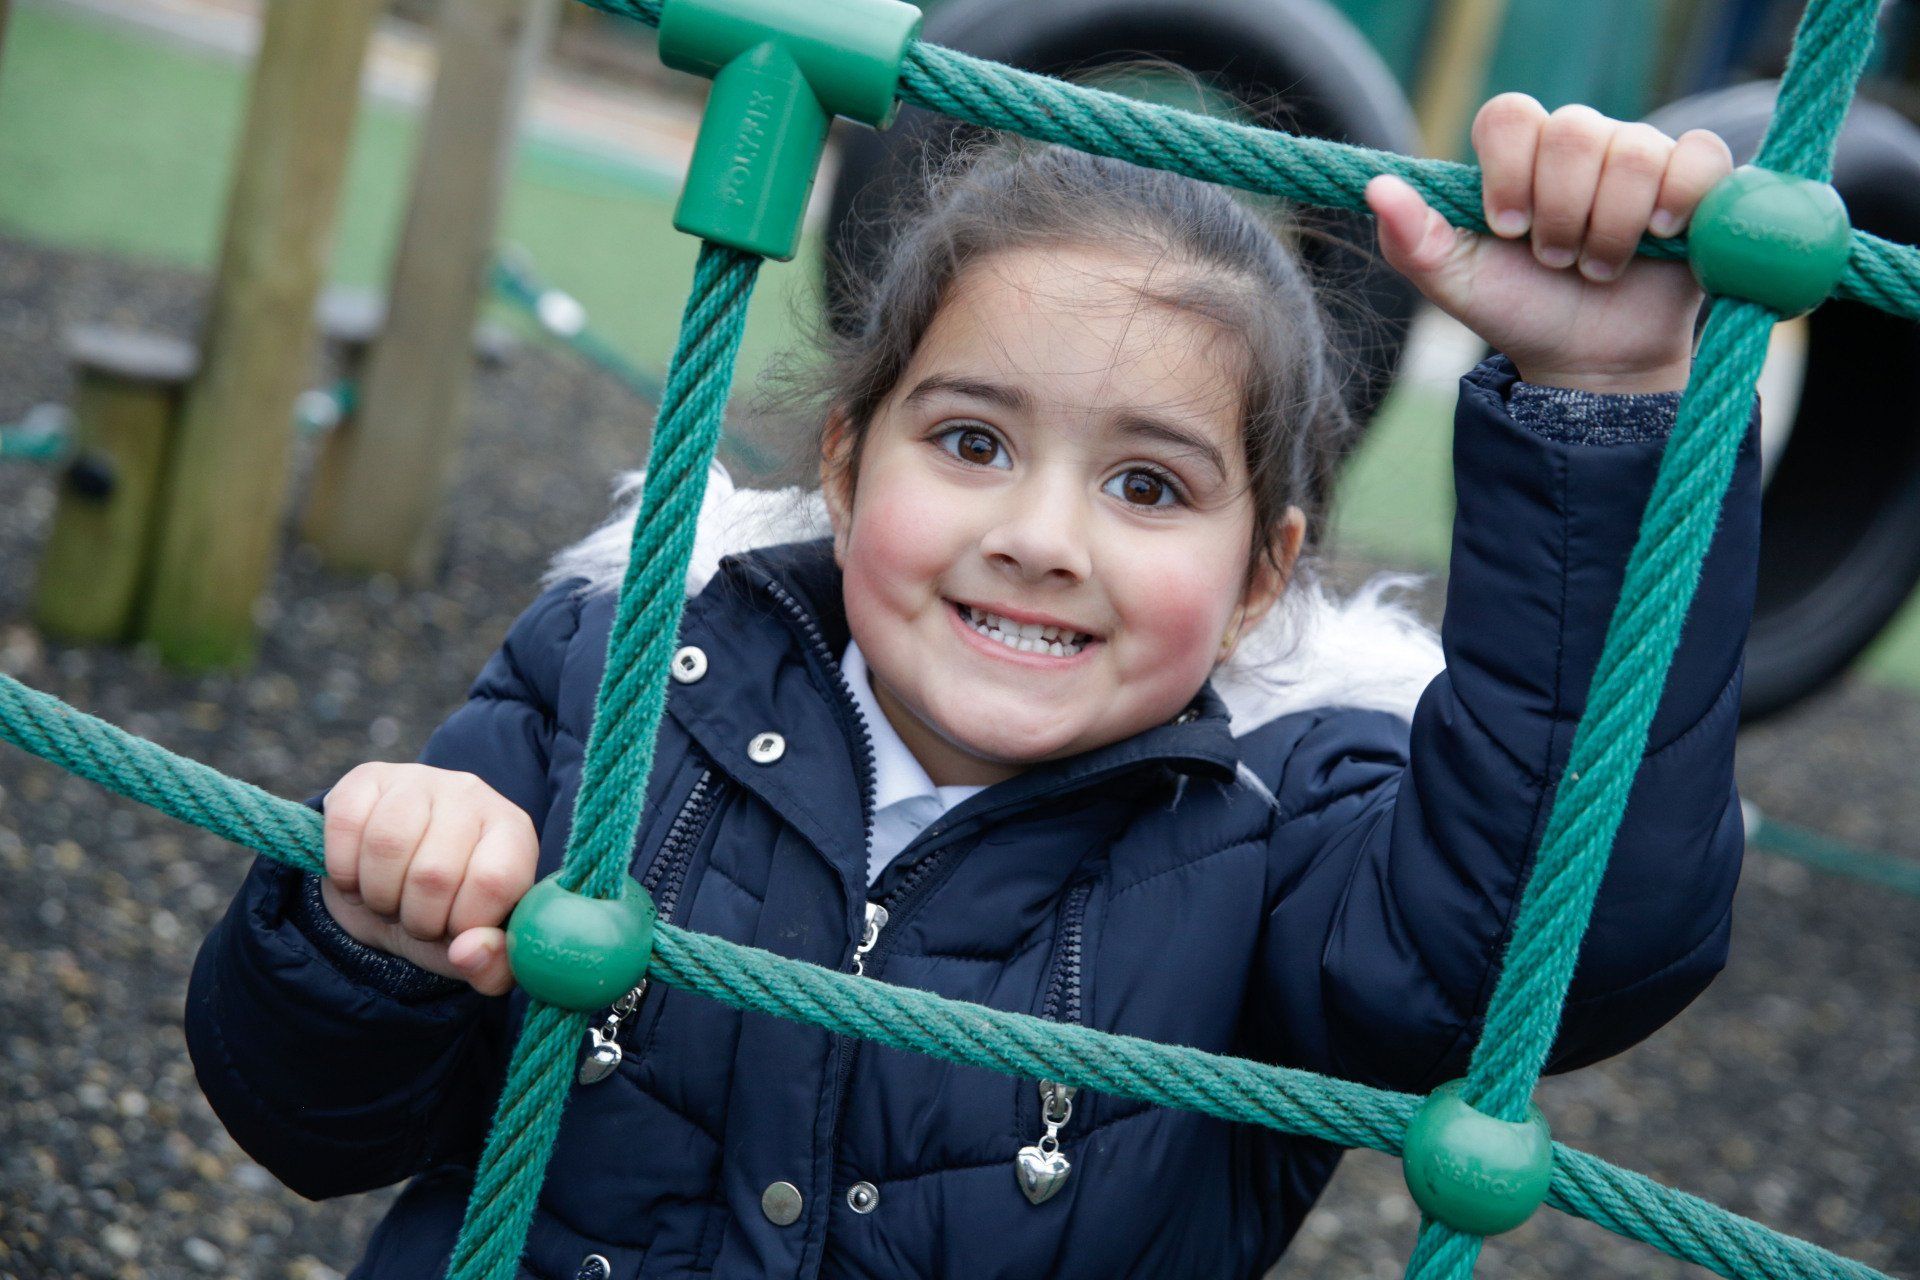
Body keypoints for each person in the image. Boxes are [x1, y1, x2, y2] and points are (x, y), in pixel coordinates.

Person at [187, 94, 1754, 1279]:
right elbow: (306, 1118)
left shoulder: (1284, 846)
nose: (1040, 538)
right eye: (973, 442)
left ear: (1262, 573)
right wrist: (364, 930)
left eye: (1148, 486)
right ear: (850, 461)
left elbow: (1562, 935)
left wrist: (1606, 405)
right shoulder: (614, 693)